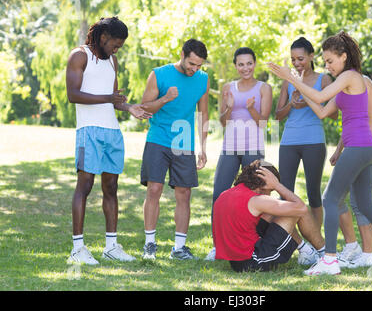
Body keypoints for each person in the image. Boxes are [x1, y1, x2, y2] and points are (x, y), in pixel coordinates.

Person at [268, 31, 372, 275]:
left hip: (359, 147)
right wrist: (301, 91)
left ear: (344, 57)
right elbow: (323, 110)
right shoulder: (356, 82)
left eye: (330, 61)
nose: (327, 66)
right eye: (325, 62)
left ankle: (330, 260)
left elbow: (323, 95)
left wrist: (292, 80)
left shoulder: (348, 76)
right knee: (365, 204)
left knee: (329, 199)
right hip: (368, 148)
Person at [66, 17, 152, 265]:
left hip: (112, 131)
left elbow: (113, 100)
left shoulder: (112, 61)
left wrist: (129, 108)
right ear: (103, 38)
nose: (117, 50)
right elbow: (73, 95)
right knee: (85, 186)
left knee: (111, 188)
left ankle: (111, 246)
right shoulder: (79, 56)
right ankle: (78, 249)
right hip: (88, 131)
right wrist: (109, 97)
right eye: (115, 45)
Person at [140, 39, 210, 260]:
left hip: (184, 142)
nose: (194, 69)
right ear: (182, 54)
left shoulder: (203, 79)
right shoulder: (159, 74)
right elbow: (144, 107)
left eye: (199, 65)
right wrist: (165, 98)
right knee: (154, 190)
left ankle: (179, 248)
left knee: (184, 193)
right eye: (191, 63)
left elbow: (203, 114)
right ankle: (149, 244)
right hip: (159, 138)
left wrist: (203, 147)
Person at [205, 47, 273, 261]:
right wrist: (229, 107)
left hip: (253, 148)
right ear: (236, 66)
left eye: (249, 63)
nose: (245, 68)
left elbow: (263, 123)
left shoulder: (264, 88)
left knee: (255, 196)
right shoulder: (228, 87)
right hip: (230, 148)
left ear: (255, 63)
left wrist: (251, 109)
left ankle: (254, 244)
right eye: (241, 64)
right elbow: (223, 121)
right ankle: (217, 247)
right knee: (219, 195)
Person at [275, 37, 333, 265]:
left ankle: (319, 246)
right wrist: (292, 103)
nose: (297, 63)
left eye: (300, 58)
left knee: (313, 193)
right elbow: (278, 115)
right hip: (289, 141)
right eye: (293, 60)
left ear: (311, 57)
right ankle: (294, 244)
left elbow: (332, 112)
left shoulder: (324, 79)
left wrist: (308, 99)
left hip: (313, 140)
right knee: (284, 193)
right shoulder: (287, 81)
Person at [212, 160, 325, 272]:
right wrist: (277, 185)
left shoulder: (225, 194)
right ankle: (325, 254)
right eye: (270, 190)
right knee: (294, 210)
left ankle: (306, 252)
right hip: (253, 261)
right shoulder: (256, 200)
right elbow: (301, 208)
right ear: (264, 184)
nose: (270, 194)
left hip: (235, 261)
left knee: (276, 210)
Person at [333, 75, 372, 268]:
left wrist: (358, 148)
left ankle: (366, 253)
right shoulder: (344, 83)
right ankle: (354, 247)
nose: (329, 66)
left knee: (357, 202)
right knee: (340, 199)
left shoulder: (361, 81)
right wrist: (339, 150)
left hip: (367, 148)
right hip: (357, 148)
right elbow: (349, 123)